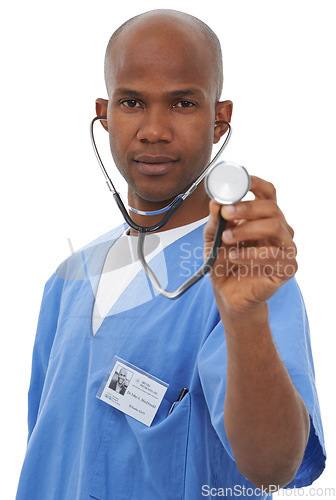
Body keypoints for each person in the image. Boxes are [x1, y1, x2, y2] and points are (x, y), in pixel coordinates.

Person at [16, 9, 326, 500]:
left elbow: (273, 468)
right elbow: (45, 446)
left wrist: (243, 317)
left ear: (220, 120)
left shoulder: (246, 274)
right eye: (133, 102)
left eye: (182, 103)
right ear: (105, 112)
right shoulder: (69, 279)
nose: (154, 129)